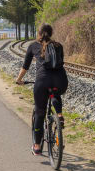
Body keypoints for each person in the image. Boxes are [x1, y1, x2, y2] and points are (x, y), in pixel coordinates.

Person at [16, 24, 68, 156]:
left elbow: (25, 67)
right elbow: (60, 63)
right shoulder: (58, 45)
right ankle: (60, 115)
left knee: (39, 112)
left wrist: (19, 80)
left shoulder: (33, 46)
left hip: (42, 82)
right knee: (55, 92)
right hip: (61, 80)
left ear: (38, 34)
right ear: (51, 33)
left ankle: (37, 146)